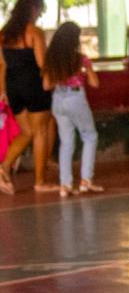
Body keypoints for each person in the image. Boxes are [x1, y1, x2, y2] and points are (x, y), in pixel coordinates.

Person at [0, 0, 54, 194]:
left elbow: (3, 65)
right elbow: (42, 63)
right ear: (33, 9)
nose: (40, 14)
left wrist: (3, 90)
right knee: (40, 132)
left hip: (13, 87)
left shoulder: (4, 34)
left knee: (26, 132)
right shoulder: (34, 32)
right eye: (41, 10)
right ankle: (40, 182)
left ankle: (4, 167)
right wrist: (51, 79)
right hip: (33, 85)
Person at [42, 22, 102, 198]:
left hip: (58, 100)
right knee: (89, 136)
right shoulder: (80, 59)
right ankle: (86, 181)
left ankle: (65, 185)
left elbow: (46, 85)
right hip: (75, 98)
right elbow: (95, 83)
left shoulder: (51, 60)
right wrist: (87, 69)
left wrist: (59, 77)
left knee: (66, 142)